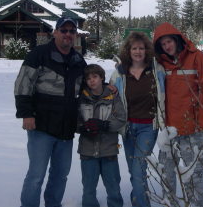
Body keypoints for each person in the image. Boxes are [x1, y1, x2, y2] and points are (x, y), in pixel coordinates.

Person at [14, 17, 86, 207]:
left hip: (66, 128)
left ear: (75, 35)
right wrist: (26, 114)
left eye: (72, 31)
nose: (68, 35)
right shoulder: (39, 54)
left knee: (60, 175)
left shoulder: (79, 61)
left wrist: (106, 89)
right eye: (64, 30)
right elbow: (23, 85)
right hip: (41, 126)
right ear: (55, 32)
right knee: (36, 175)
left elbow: (89, 87)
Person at [153, 22, 203, 207]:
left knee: (194, 173)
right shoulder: (159, 64)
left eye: (169, 42)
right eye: (163, 44)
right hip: (168, 130)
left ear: (177, 40)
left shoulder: (196, 57)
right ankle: (169, 203)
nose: (167, 46)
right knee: (167, 173)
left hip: (191, 129)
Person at [109, 32, 166, 207]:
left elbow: (167, 94)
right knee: (134, 171)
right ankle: (138, 199)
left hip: (148, 127)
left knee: (138, 169)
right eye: (134, 48)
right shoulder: (119, 72)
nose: (138, 51)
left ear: (147, 50)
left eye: (141, 48)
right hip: (127, 127)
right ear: (128, 50)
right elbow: (110, 97)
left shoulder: (157, 70)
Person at [77, 64, 126, 207]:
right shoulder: (82, 98)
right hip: (87, 151)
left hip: (108, 150)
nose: (92, 80)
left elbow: (121, 118)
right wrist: (83, 128)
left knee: (113, 187)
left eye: (95, 77)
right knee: (88, 188)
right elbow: (74, 119)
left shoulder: (112, 97)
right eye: (88, 78)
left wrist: (105, 125)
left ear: (102, 78)